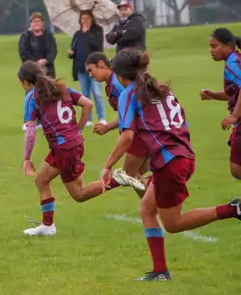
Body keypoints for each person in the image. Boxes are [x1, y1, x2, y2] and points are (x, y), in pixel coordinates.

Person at [100, 49, 240, 281]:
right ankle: (160, 271)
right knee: (146, 208)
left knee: (174, 224)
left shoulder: (128, 93)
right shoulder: (161, 89)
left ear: (122, 76)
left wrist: (107, 166)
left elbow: (127, 137)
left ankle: (233, 209)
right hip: (182, 155)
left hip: (170, 163)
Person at [19, 61, 140, 237]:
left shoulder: (32, 97)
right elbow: (88, 104)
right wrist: (78, 130)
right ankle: (47, 226)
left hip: (64, 148)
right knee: (41, 180)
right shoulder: (60, 87)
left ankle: (118, 180)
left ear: (24, 82)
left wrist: (26, 158)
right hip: (67, 144)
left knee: (79, 194)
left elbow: (30, 131)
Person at [85, 52, 148, 197]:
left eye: (91, 70)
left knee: (131, 174)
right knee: (136, 173)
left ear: (101, 64)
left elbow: (131, 112)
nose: (90, 75)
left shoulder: (117, 83)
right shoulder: (111, 83)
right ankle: (152, 208)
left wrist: (107, 127)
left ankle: (151, 208)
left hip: (138, 134)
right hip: (140, 132)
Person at [200, 27, 241, 179]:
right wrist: (214, 95)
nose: (211, 50)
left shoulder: (233, 64)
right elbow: (235, 93)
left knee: (236, 169)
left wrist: (235, 116)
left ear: (228, 46)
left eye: (214, 46)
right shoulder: (234, 59)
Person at [68, 11, 106, 126]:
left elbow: (97, 45)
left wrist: (88, 32)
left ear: (92, 19)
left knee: (97, 93)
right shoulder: (78, 34)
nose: (85, 21)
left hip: (94, 68)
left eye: (87, 18)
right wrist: (71, 53)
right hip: (80, 68)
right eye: (83, 18)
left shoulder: (97, 31)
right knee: (85, 94)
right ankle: (88, 119)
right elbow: (74, 48)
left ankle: (101, 117)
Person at [19, 12, 58, 78]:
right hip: (31, 71)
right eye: (34, 21)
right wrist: (37, 62)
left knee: (49, 88)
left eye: (38, 21)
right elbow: (23, 53)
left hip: (48, 70)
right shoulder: (25, 36)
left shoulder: (48, 35)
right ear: (30, 23)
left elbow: (53, 51)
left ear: (42, 22)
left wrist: (46, 60)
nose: (36, 23)